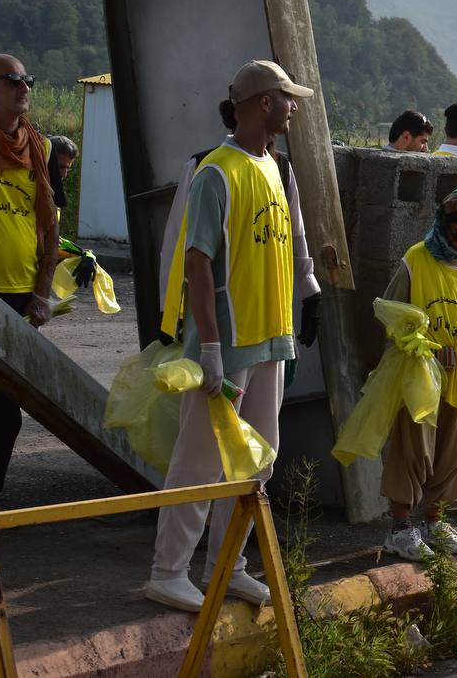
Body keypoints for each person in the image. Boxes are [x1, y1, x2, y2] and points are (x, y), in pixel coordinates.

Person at [147, 60, 313, 611]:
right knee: (201, 457)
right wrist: (211, 349)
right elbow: (198, 265)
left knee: (258, 460)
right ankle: (168, 570)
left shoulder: (274, 168)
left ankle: (230, 564)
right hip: (228, 344)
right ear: (264, 103)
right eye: (287, 97)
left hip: (270, 340)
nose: (294, 106)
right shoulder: (217, 171)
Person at [380, 188, 457, 560]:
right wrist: (418, 344)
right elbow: (392, 315)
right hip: (421, 377)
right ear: (443, 226)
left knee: (453, 456)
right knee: (413, 451)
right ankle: (401, 527)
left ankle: (434, 521)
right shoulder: (415, 261)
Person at [159, 98, 321, 348]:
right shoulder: (206, 167)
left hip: (273, 318)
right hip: (224, 322)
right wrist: (168, 311)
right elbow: (178, 243)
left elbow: (294, 234)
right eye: (285, 99)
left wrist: (310, 291)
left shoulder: (281, 168)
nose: (293, 107)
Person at [0, 54, 58, 512]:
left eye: (26, 79)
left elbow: (49, 224)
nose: (24, 87)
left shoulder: (38, 147)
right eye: (13, 80)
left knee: (2, 409)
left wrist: (43, 290)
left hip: (16, 293)